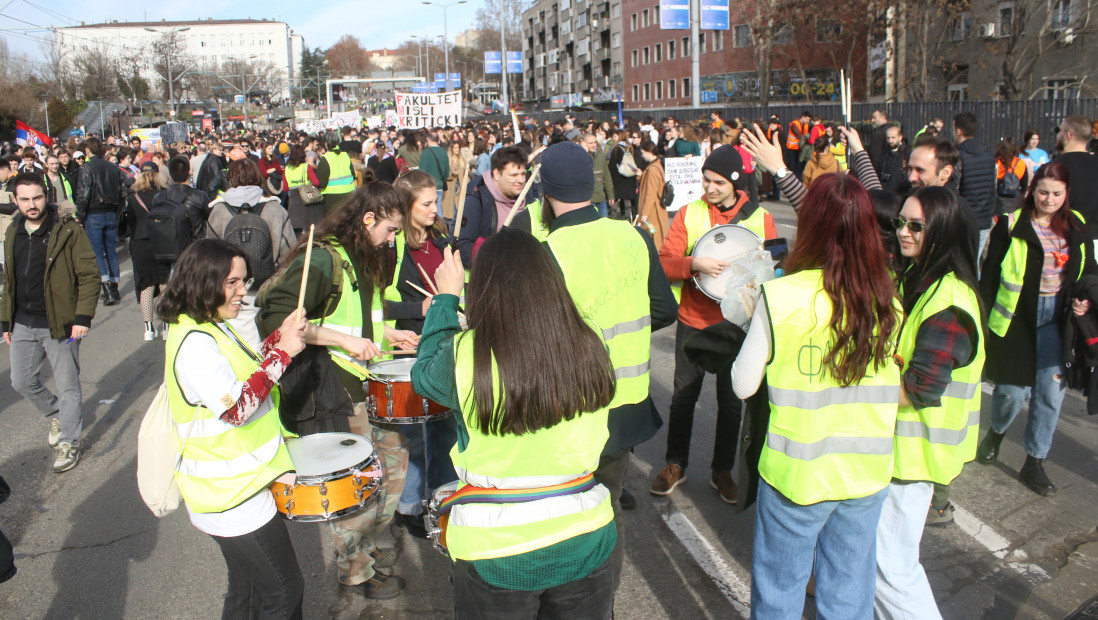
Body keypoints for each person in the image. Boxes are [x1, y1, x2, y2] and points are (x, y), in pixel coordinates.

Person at [411, 229, 618, 619]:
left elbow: (424, 375)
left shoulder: (462, 355)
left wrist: (444, 300)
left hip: (495, 550)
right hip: (585, 533)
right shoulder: (592, 341)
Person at [731, 172, 901, 619]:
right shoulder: (888, 300)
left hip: (797, 477)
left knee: (779, 591)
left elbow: (743, 384)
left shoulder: (781, 297)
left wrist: (752, 324)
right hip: (866, 473)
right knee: (848, 592)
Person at [255, 182, 417, 600]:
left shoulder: (363, 257)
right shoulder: (326, 259)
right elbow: (279, 319)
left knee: (391, 469)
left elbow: (360, 318)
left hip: (368, 379)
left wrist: (389, 333)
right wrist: (344, 342)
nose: (393, 239)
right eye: (391, 230)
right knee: (358, 483)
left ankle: (366, 549)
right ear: (368, 220)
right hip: (337, 388)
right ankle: (356, 571)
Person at [538, 141, 677, 591]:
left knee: (562, 514)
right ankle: (603, 601)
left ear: (546, 192)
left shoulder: (547, 251)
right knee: (608, 506)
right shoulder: (631, 235)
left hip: (572, 411)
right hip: (627, 404)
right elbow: (663, 308)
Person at [158, 238, 308, 618]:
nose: (244, 291)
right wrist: (284, 353)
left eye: (244, 281)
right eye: (233, 283)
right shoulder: (194, 343)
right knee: (284, 594)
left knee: (250, 592)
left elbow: (245, 371)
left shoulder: (208, 325)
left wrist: (279, 338)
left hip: (237, 489)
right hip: (232, 497)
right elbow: (237, 408)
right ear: (202, 282)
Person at [874, 186, 985, 619]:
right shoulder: (919, 279)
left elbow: (919, 387)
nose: (902, 232)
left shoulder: (950, 305)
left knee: (892, 570)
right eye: (900, 222)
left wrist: (848, 393)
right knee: (883, 566)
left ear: (942, 231)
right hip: (898, 451)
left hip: (915, 458)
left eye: (915, 225)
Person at [651, 145, 776, 502]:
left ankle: (721, 471)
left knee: (732, 402)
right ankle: (675, 464)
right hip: (693, 320)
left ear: (736, 182)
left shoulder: (760, 217)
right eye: (706, 180)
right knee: (683, 397)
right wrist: (695, 264)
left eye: (717, 181)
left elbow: (774, 266)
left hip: (737, 325)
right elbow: (665, 262)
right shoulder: (689, 213)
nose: (709, 187)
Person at [976, 161, 1095, 496]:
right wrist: (985, 327)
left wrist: (1085, 300)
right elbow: (990, 279)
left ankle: (1035, 460)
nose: (1049, 199)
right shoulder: (1010, 225)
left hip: (1058, 321)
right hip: (1017, 321)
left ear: (1066, 193)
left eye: (1057, 193)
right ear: (1032, 190)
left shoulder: (1078, 226)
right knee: (1011, 393)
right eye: (1043, 191)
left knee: (1050, 393)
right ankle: (997, 432)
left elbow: (1089, 270)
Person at [1, 173, 100, 472]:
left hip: (61, 323)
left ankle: (70, 441)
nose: (32, 205)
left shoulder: (67, 230)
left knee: (68, 385)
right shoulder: (13, 231)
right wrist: (6, 321)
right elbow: (10, 281)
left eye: (37, 198)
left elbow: (89, 275)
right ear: (15, 201)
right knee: (22, 381)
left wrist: (82, 318)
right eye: (25, 199)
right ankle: (59, 414)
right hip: (22, 322)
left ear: (46, 196)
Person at [382, 169, 459, 539]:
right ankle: (410, 504)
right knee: (414, 433)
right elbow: (378, 304)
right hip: (410, 343)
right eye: (427, 203)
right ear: (407, 206)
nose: (435, 209)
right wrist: (420, 309)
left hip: (445, 338)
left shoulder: (441, 234)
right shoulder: (394, 246)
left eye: (436, 200)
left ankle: (444, 497)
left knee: (445, 423)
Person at [206, 159, 296, 346]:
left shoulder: (218, 211)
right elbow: (290, 252)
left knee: (236, 345)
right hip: (268, 287)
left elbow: (209, 255)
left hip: (229, 289)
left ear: (230, 179)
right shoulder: (275, 209)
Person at [456, 146, 540, 266]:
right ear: (496, 174)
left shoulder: (528, 194)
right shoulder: (476, 198)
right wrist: (496, 261)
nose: (521, 180)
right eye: (513, 175)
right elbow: (462, 245)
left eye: (522, 174)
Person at [74, 136, 126, 306]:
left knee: (97, 251)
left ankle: (107, 289)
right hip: (110, 212)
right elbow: (122, 193)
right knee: (110, 251)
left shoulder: (86, 168)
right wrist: (116, 212)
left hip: (94, 213)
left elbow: (83, 195)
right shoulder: (113, 167)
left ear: (88, 151)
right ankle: (114, 287)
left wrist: (80, 216)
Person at [124, 162, 172, 340]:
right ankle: (166, 325)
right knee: (164, 285)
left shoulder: (132, 197)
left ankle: (149, 328)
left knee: (146, 287)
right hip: (162, 241)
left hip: (141, 242)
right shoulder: (165, 195)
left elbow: (129, 223)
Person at [953, 112, 997, 258]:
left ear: (958, 130)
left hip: (964, 218)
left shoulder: (958, 155)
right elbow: (992, 186)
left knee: (961, 262)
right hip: (984, 216)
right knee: (974, 261)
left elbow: (955, 188)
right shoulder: (989, 154)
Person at [1051, 115, 1098, 224]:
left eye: (1059, 130)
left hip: (1066, 232)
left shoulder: (1054, 167)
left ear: (1067, 135)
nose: (1057, 135)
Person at [282, 144, 323, 235]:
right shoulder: (306, 167)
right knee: (310, 231)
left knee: (297, 233)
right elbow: (316, 182)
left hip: (294, 204)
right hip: (307, 202)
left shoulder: (287, 169)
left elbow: (285, 188)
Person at [636, 140, 669, 248]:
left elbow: (651, 193)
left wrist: (644, 213)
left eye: (643, 152)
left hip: (653, 211)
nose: (642, 155)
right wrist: (641, 176)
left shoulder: (653, 169)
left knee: (653, 239)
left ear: (648, 152)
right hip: (655, 208)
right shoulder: (656, 165)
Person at [318, 131, 356, 216]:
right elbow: (353, 175)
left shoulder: (325, 159)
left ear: (325, 143)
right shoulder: (345, 155)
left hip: (331, 199)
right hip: (349, 195)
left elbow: (322, 183)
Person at [582, 133, 616, 218]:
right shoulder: (581, 157)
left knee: (604, 225)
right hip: (588, 200)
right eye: (590, 143)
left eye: (595, 142)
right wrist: (584, 153)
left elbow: (607, 177)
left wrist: (610, 194)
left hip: (601, 199)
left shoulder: (600, 156)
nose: (593, 145)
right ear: (584, 143)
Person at [418, 131, 450, 210]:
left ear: (428, 139)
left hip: (428, 185)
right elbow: (447, 171)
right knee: (438, 206)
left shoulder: (426, 152)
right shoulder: (443, 152)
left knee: (430, 208)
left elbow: (422, 171)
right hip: (440, 184)